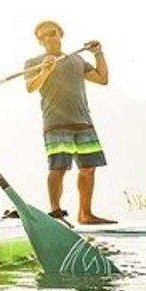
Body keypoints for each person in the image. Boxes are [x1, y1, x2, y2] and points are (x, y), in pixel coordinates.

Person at [24, 20, 115, 225]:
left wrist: (98, 53)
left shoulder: (76, 60)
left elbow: (102, 79)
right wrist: (45, 71)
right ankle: (55, 213)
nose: (49, 38)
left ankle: (85, 214)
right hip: (56, 123)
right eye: (43, 36)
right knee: (58, 168)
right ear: (40, 41)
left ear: (60, 34)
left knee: (88, 168)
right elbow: (31, 87)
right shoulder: (34, 62)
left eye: (52, 33)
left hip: (83, 121)